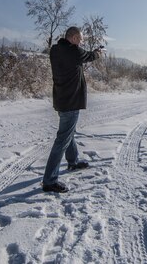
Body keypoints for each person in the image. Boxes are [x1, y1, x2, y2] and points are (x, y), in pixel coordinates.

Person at [42, 26, 103, 193]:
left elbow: (81, 55)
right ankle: (49, 180)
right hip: (71, 102)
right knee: (62, 139)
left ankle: (73, 161)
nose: (81, 42)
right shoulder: (73, 52)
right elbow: (90, 56)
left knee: (69, 133)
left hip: (61, 100)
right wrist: (98, 52)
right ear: (74, 38)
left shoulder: (56, 50)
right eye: (81, 39)